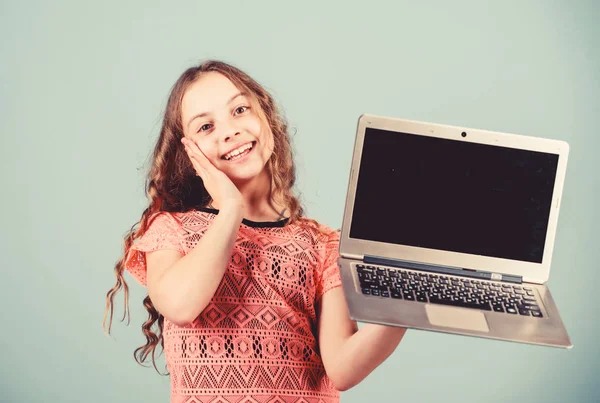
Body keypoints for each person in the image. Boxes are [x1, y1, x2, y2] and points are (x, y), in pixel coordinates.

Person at [103, 60, 406, 403]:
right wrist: (230, 208)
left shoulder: (320, 244)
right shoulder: (171, 229)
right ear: (188, 152)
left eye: (240, 109)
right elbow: (181, 304)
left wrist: (403, 309)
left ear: (266, 117)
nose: (229, 130)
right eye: (205, 127)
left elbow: (343, 369)